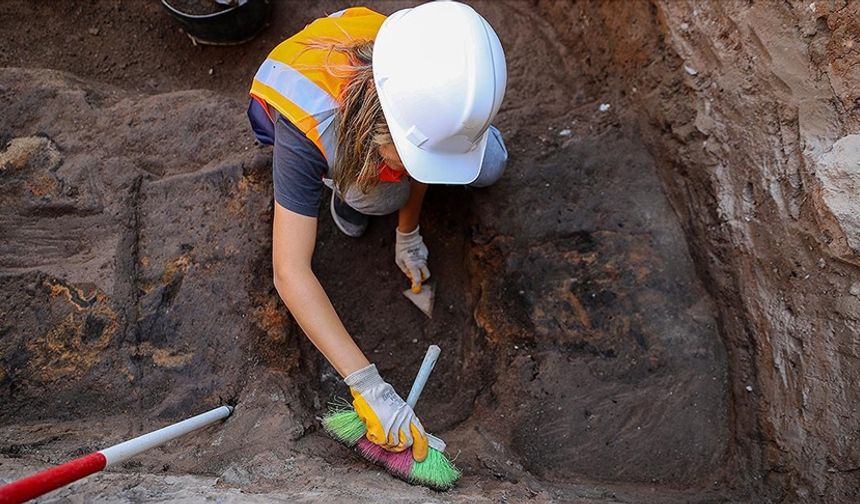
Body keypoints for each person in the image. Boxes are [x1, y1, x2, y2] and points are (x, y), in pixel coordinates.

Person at [247, 1, 507, 462]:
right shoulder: (305, 130)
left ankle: (395, 180)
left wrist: (408, 234)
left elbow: (424, 157)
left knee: (489, 163)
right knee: (380, 195)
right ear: (376, 127)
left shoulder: (427, 72)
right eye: (405, 155)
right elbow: (289, 272)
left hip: (396, 124)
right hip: (317, 120)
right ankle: (343, 187)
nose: (413, 169)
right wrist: (367, 385)